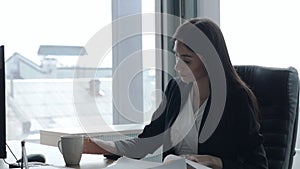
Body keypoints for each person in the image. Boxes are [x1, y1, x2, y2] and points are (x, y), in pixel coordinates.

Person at [83, 18, 269, 169]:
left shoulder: (236, 99)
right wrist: (101, 145)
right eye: (177, 57)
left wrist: (216, 162)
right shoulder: (176, 89)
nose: (177, 66)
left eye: (186, 60)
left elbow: (258, 165)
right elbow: (147, 141)